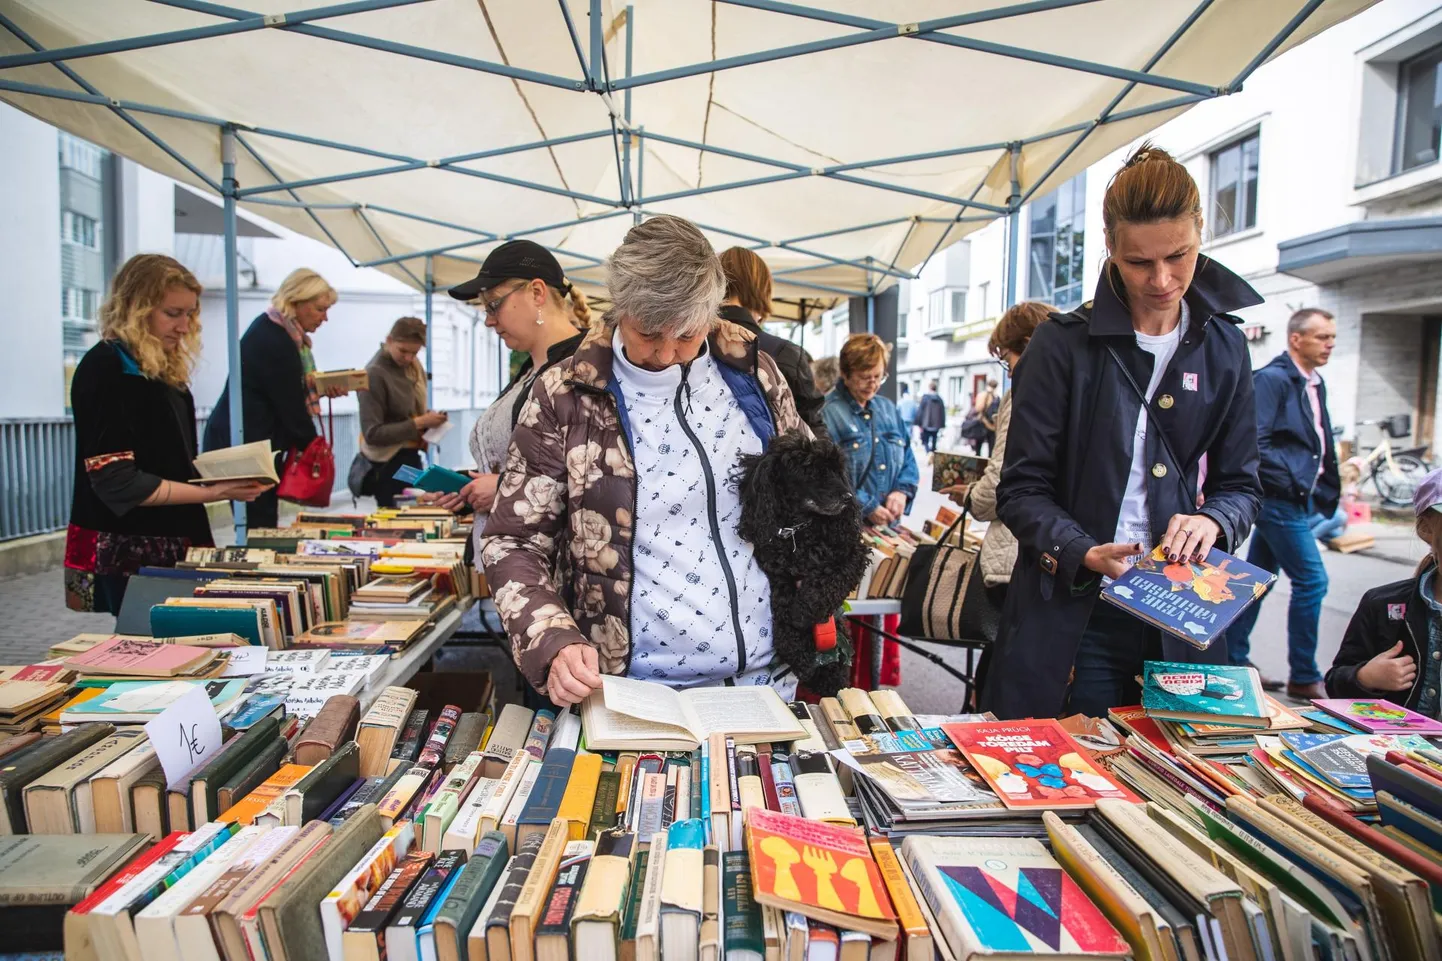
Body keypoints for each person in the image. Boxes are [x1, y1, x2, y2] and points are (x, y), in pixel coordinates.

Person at [479, 215, 814, 707]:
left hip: (766, 683)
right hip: (629, 692)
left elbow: (808, 491)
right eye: (648, 332)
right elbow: (512, 540)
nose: (666, 354)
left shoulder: (755, 374)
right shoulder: (563, 394)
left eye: (686, 334)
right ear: (620, 309)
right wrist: (553, 639)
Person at [986, 143, 1263, 721]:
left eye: (1179, 256)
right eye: (1139, 263)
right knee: (1069, 775)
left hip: (1181, 608)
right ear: (1109, 246)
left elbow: (1243, 485)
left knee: (1181, 778)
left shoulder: (1226, 345)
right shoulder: (1061, 345)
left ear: (1200, 235)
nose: (1162, 280)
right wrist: (1079, 548)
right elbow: (1020, 489)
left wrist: (1212, 519)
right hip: (1073, 613)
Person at [65, 255, 270, 613]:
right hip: (129, 547)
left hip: (170, 538)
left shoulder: (157, 366)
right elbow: (117, 481)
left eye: (190, 314)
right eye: (172, 313)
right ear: (135, 308)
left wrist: (223, 474)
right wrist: (214, 491)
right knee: (152, 648)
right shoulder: (106, 367)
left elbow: (165, 456)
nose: (184, 326)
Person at [429, 240, 589, 534]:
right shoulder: (531, 371)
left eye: (494, 304)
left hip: (545, 564)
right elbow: (526, 463)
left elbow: (601, 477)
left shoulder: (587, 368)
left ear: (537, 292)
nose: (489, 320)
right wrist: (470, 488)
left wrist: (503, 488)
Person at [1225, 308, 1340, 700]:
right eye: (1322, 337)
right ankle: (1305, 674)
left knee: (1257, 581)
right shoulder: (1273, 380)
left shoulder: (1314, 382)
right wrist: (1291, 482)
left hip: (1300, 499)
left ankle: (1233, 657)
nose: (1330, 344)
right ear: (1296, 339)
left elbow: (1317, 439)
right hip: (1278, 499)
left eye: (1332, 337)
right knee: (1313, 580)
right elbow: (1255, 443)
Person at [205, 267, 343, 528]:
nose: (324, 318)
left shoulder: (279, 331)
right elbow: (288, 403)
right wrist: (314, 447)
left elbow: (286, 389)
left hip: (252, 442)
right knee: (258, 524)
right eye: (320, 309)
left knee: (261, 519)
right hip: (245, 446)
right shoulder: (274, 338)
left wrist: (323, 389)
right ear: (296, 302)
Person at [943, 303, 1054, 599]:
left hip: (1019, 554)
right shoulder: (1080, 387)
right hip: (1062, 549)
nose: (1008, 374)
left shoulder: (1025, 392)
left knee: (1010, 643)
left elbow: (1000, 482)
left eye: (1007, 360)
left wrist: (971, 497)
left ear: (1030, 346)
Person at [1324, 469, 1442, 714]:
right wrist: (1366, 677)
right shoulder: (1382, 604)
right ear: (1426, 529)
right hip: (1393, 748)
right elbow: (1336, 684)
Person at [718, 247, 827, 437]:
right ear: (762, 289)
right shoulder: (785, 353)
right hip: (770, 463)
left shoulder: (688, 345)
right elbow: (814, 438)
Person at [821, 334, 919, 527]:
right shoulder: (826, 413)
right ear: (845, 374)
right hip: (847, 528)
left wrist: (901, 491)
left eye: (878, 376)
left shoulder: (888, 409)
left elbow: (908, 455)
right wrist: (867, 506)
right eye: (864, 378)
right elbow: (824, 476)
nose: (873, 384)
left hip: (888, 528)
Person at [354, 317, 448, 508]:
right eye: (403, 351)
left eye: (414, 353)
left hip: (410, 458)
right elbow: (372, 433)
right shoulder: (374, 374)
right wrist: (420, 422)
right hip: (387, 463)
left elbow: (412, 410)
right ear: (389, 340)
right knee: (399, 523)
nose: (408, 358)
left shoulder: (413, 366)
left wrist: (431, 419)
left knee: (419, 514)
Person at [915, 379, 946, 453]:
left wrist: (918, 422)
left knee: (925, 439)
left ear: (929, 388)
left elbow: (920, 411)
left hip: (926, 424)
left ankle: (928, 452)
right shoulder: (940, 399)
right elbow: (942, 412)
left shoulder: (925, 398)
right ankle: (933, 451)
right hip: (936, 424)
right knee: (934, 438)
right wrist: (942, 424)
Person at [976, 378, 1001, 457]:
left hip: (983, 422)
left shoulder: (983, 394)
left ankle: (978, 464)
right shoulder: (996, 396)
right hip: (993, 425)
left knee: (978, 448)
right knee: (991, 447)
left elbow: (978, 408)